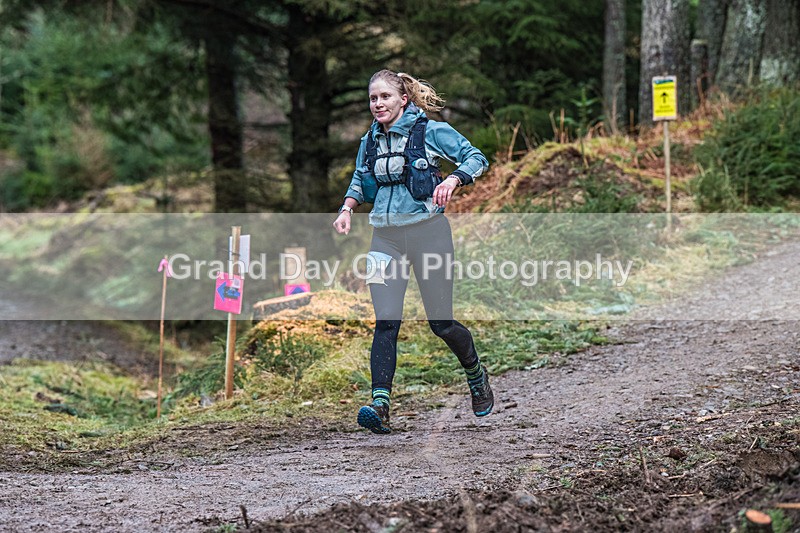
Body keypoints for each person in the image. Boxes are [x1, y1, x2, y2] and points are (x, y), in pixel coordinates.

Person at [333, 69, 493, 434]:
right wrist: (346, 207)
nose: (377, 104)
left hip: (429, 235)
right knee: (386, 321)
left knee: (441, 322)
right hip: (383, 239)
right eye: (372, 98)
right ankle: (381, 405)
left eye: (384, 97)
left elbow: (476, 157)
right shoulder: (369, 141)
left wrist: (453, 178)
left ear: (403, 99)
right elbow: (360, 177)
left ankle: (476, 373)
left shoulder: (431, 132)